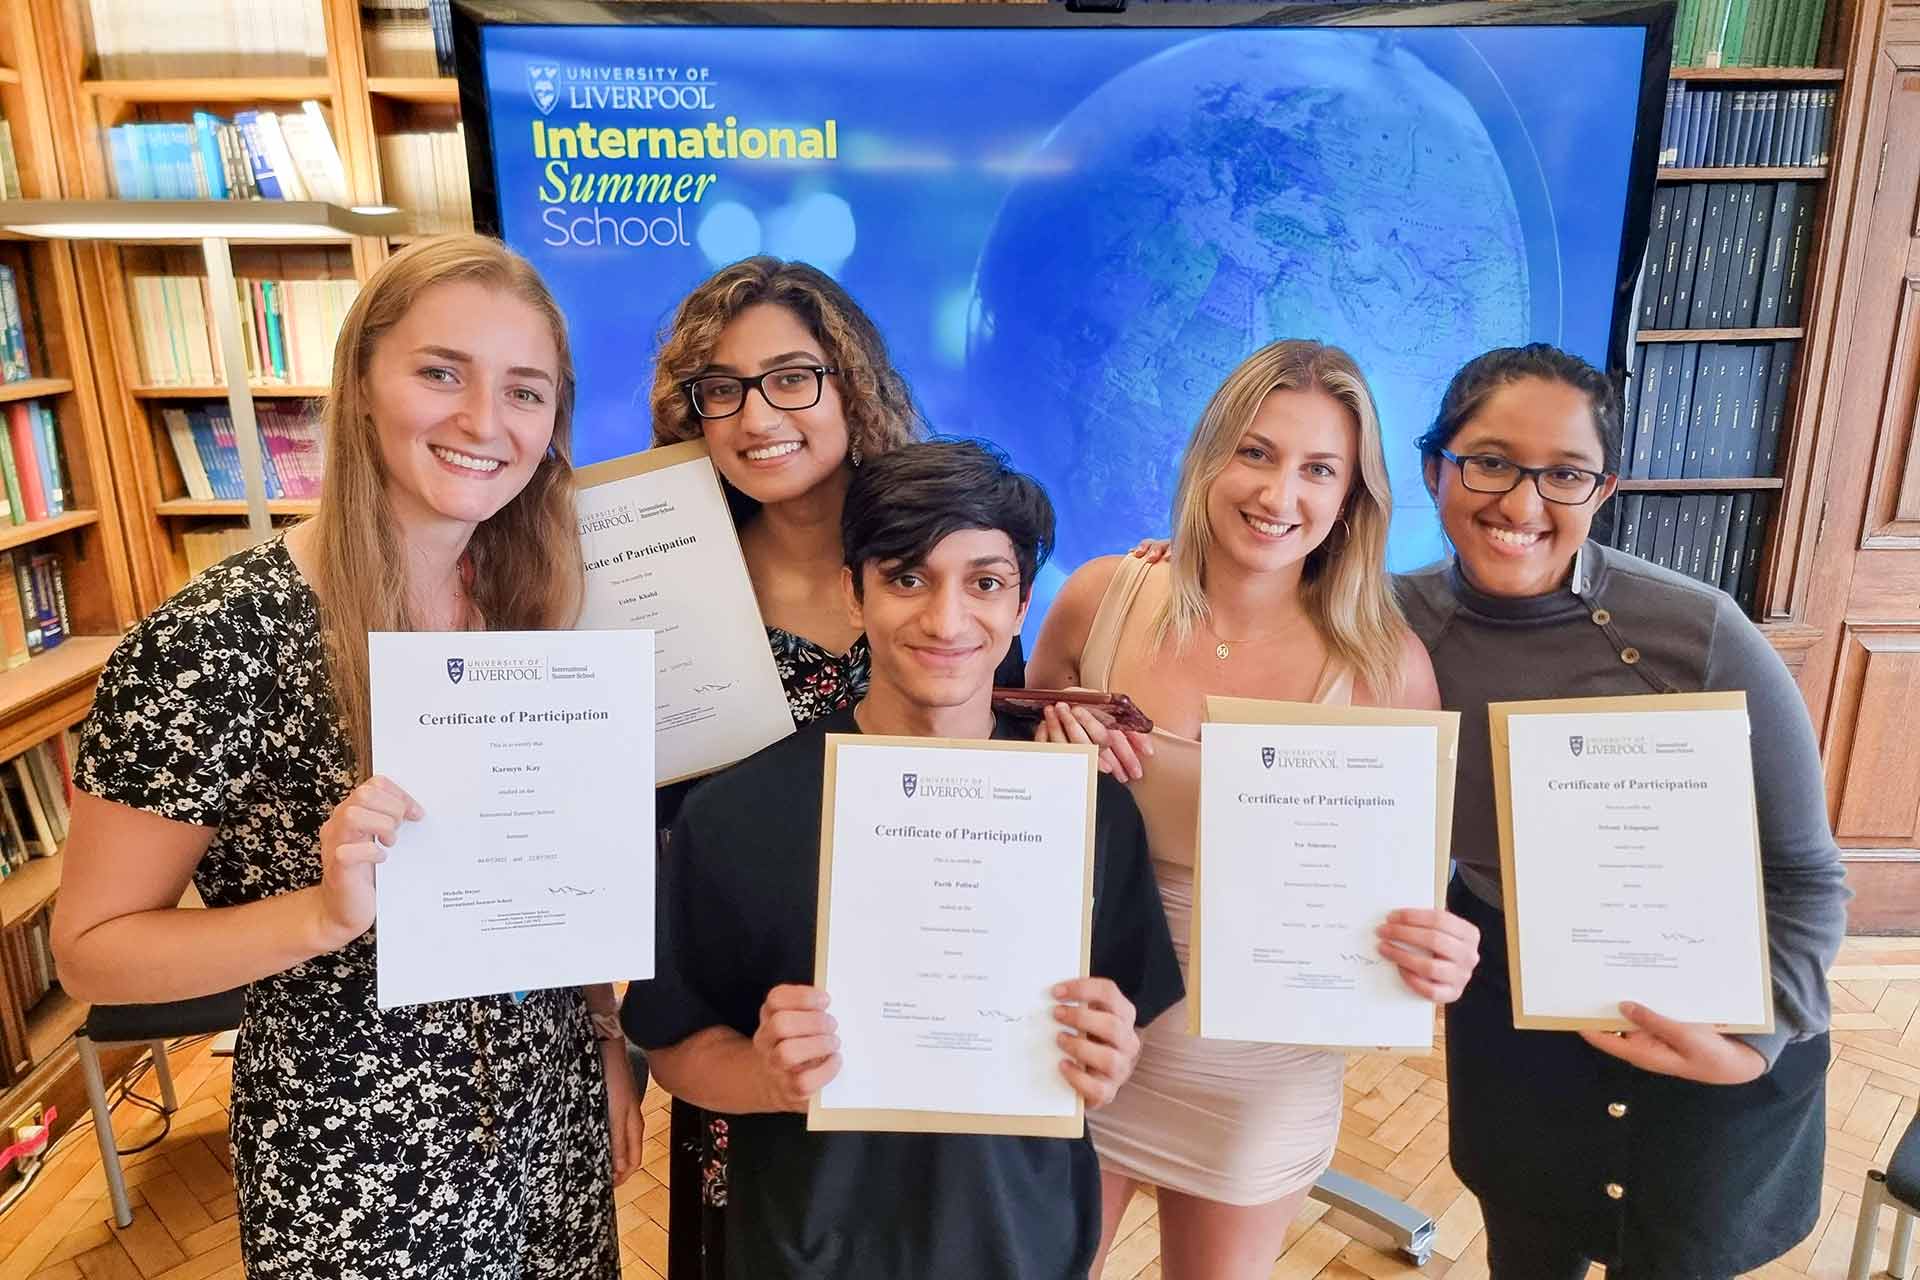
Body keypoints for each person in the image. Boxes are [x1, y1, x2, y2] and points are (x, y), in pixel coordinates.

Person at [50, 235, 642, 1278]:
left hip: (544, 1117)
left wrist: (601, 1039)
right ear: (362, 381)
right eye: (440, 371)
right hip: (356, 1152)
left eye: (525, 390)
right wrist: (319, 917)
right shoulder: (212, 642)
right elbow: (92, 950)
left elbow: (549, 873)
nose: (482, 421)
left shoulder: (526, 606)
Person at [622, 439, 1183, 1279]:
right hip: (806, 1246)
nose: (947, 620)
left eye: (985, 582)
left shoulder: (1079, 805)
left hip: (1020, 1235)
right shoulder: (736, 813)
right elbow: (674, 1049)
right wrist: (767, 1076)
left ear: (1024, 602)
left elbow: (1122, 1020)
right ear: (854, 592)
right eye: (907, 577)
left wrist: (1111, 1052)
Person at [1026, 339, 1482, 1280]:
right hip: (1078, 1036)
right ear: (1208, 456)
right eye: (1256, 452)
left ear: (1354, 498)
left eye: (1320, 469)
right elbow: (1019, 789)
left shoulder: (1386, 669)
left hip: (1258, 1070)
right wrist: (1048, 751)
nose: (1279, 495)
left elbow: (1405, 895)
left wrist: (1435, 951)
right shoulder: (1100, 599)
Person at [1396, 342, 1848, 1278]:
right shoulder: (1382, 627)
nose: (1522, 505)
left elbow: (1805, 874)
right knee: (1527, 1239)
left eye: (1565, 474)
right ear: (1433, 465)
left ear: (1604, 491)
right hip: (1510, 1010)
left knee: (1680, 1251)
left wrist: (1756, 1046)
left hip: (1706, 1016)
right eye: (1489, 461)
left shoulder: (1696, 632)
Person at [638, 257, 1021, 1278]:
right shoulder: (661, 583)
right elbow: (629, 818)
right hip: (739, 1018)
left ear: (853, 381)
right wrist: (608, 1030)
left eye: (792, 376)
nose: (757, 413)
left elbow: (1002, 757)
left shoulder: (937, 563)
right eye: (721, 387)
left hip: (928, 1002)